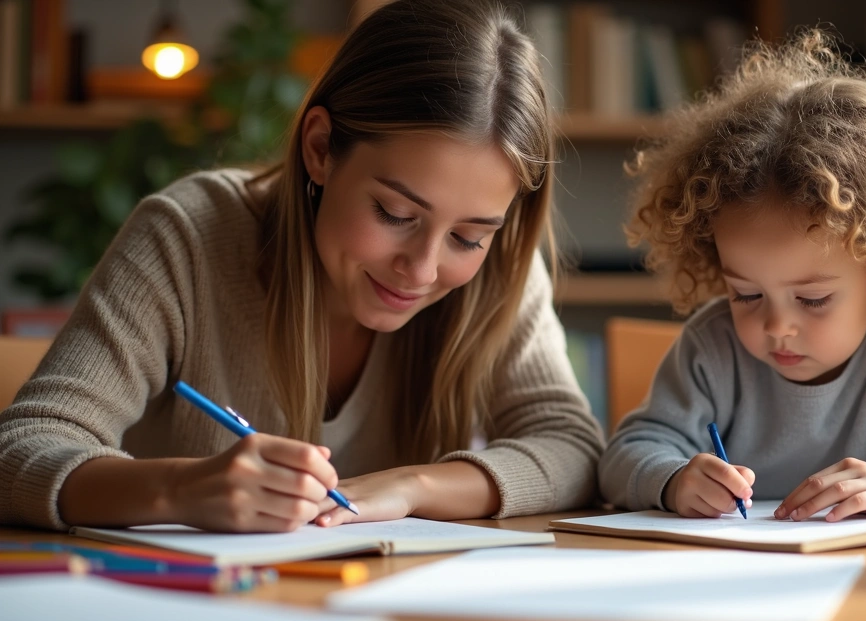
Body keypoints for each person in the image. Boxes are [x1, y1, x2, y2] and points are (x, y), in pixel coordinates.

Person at [0, 0, 603, 533]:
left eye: (468, 237)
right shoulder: (188, 236)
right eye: (394, 212)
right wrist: (180, 489)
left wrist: (414, 487)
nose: (422, 269)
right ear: (320, 148)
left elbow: (572, 446)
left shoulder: (501, 269)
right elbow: (20, 449)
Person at [599, 31, 866, 522]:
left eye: (813, 299)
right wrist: (672, 479)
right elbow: (623, 456)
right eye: (746, 293)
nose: (777, 325)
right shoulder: (712, 347)